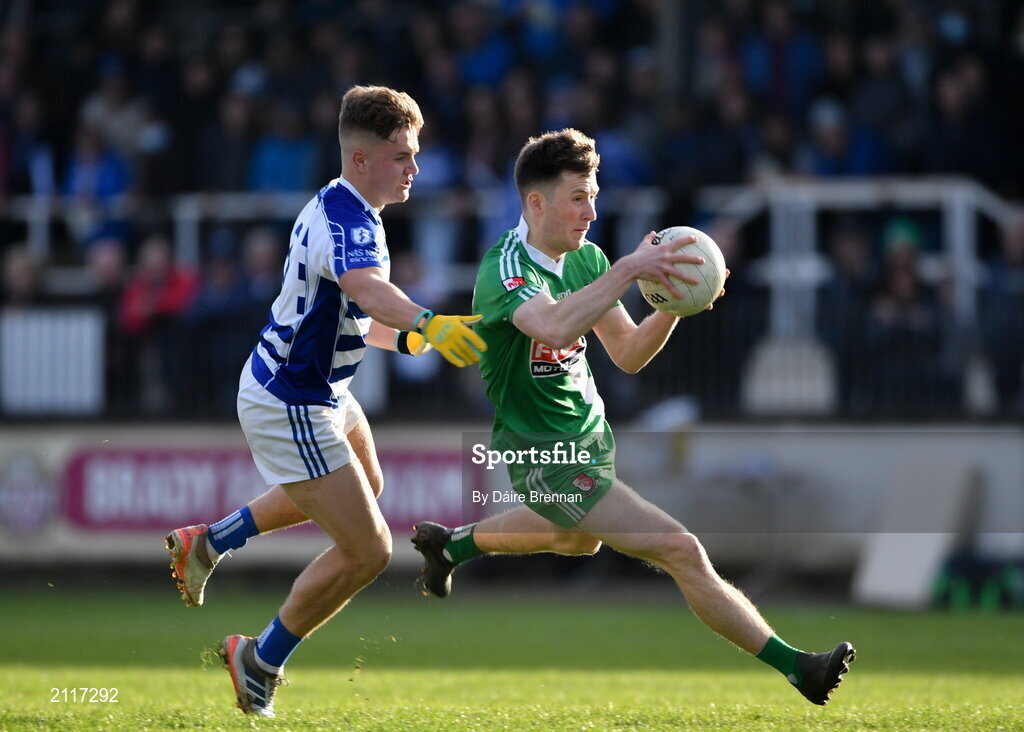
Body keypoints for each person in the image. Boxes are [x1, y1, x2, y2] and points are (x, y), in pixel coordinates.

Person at [411, 128, 854, 706]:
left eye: (593, 196)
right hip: (543, 454)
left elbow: (627, 353)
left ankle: (451, 547)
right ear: (536, 202)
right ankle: (799, 667)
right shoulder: (506, 269)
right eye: (578, 197)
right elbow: (552, 326)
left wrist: (673, 304)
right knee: (681, 548)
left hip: (590, 438)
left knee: (576, 542)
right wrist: (627, 270)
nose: (592, 212)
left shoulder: (586, 258)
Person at [164, 85, 486, 718]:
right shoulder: (347, 219)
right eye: (402, 156)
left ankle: (208, 542)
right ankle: (260, 658)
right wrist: (429, 320)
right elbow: (366, 289)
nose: (415, 168)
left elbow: (353, 313)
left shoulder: (351, 208)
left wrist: (415, 341)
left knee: (367, 483)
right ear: (361, 159)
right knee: (369, 550)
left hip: (319, 390)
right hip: (292, 400)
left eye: (415, 154)